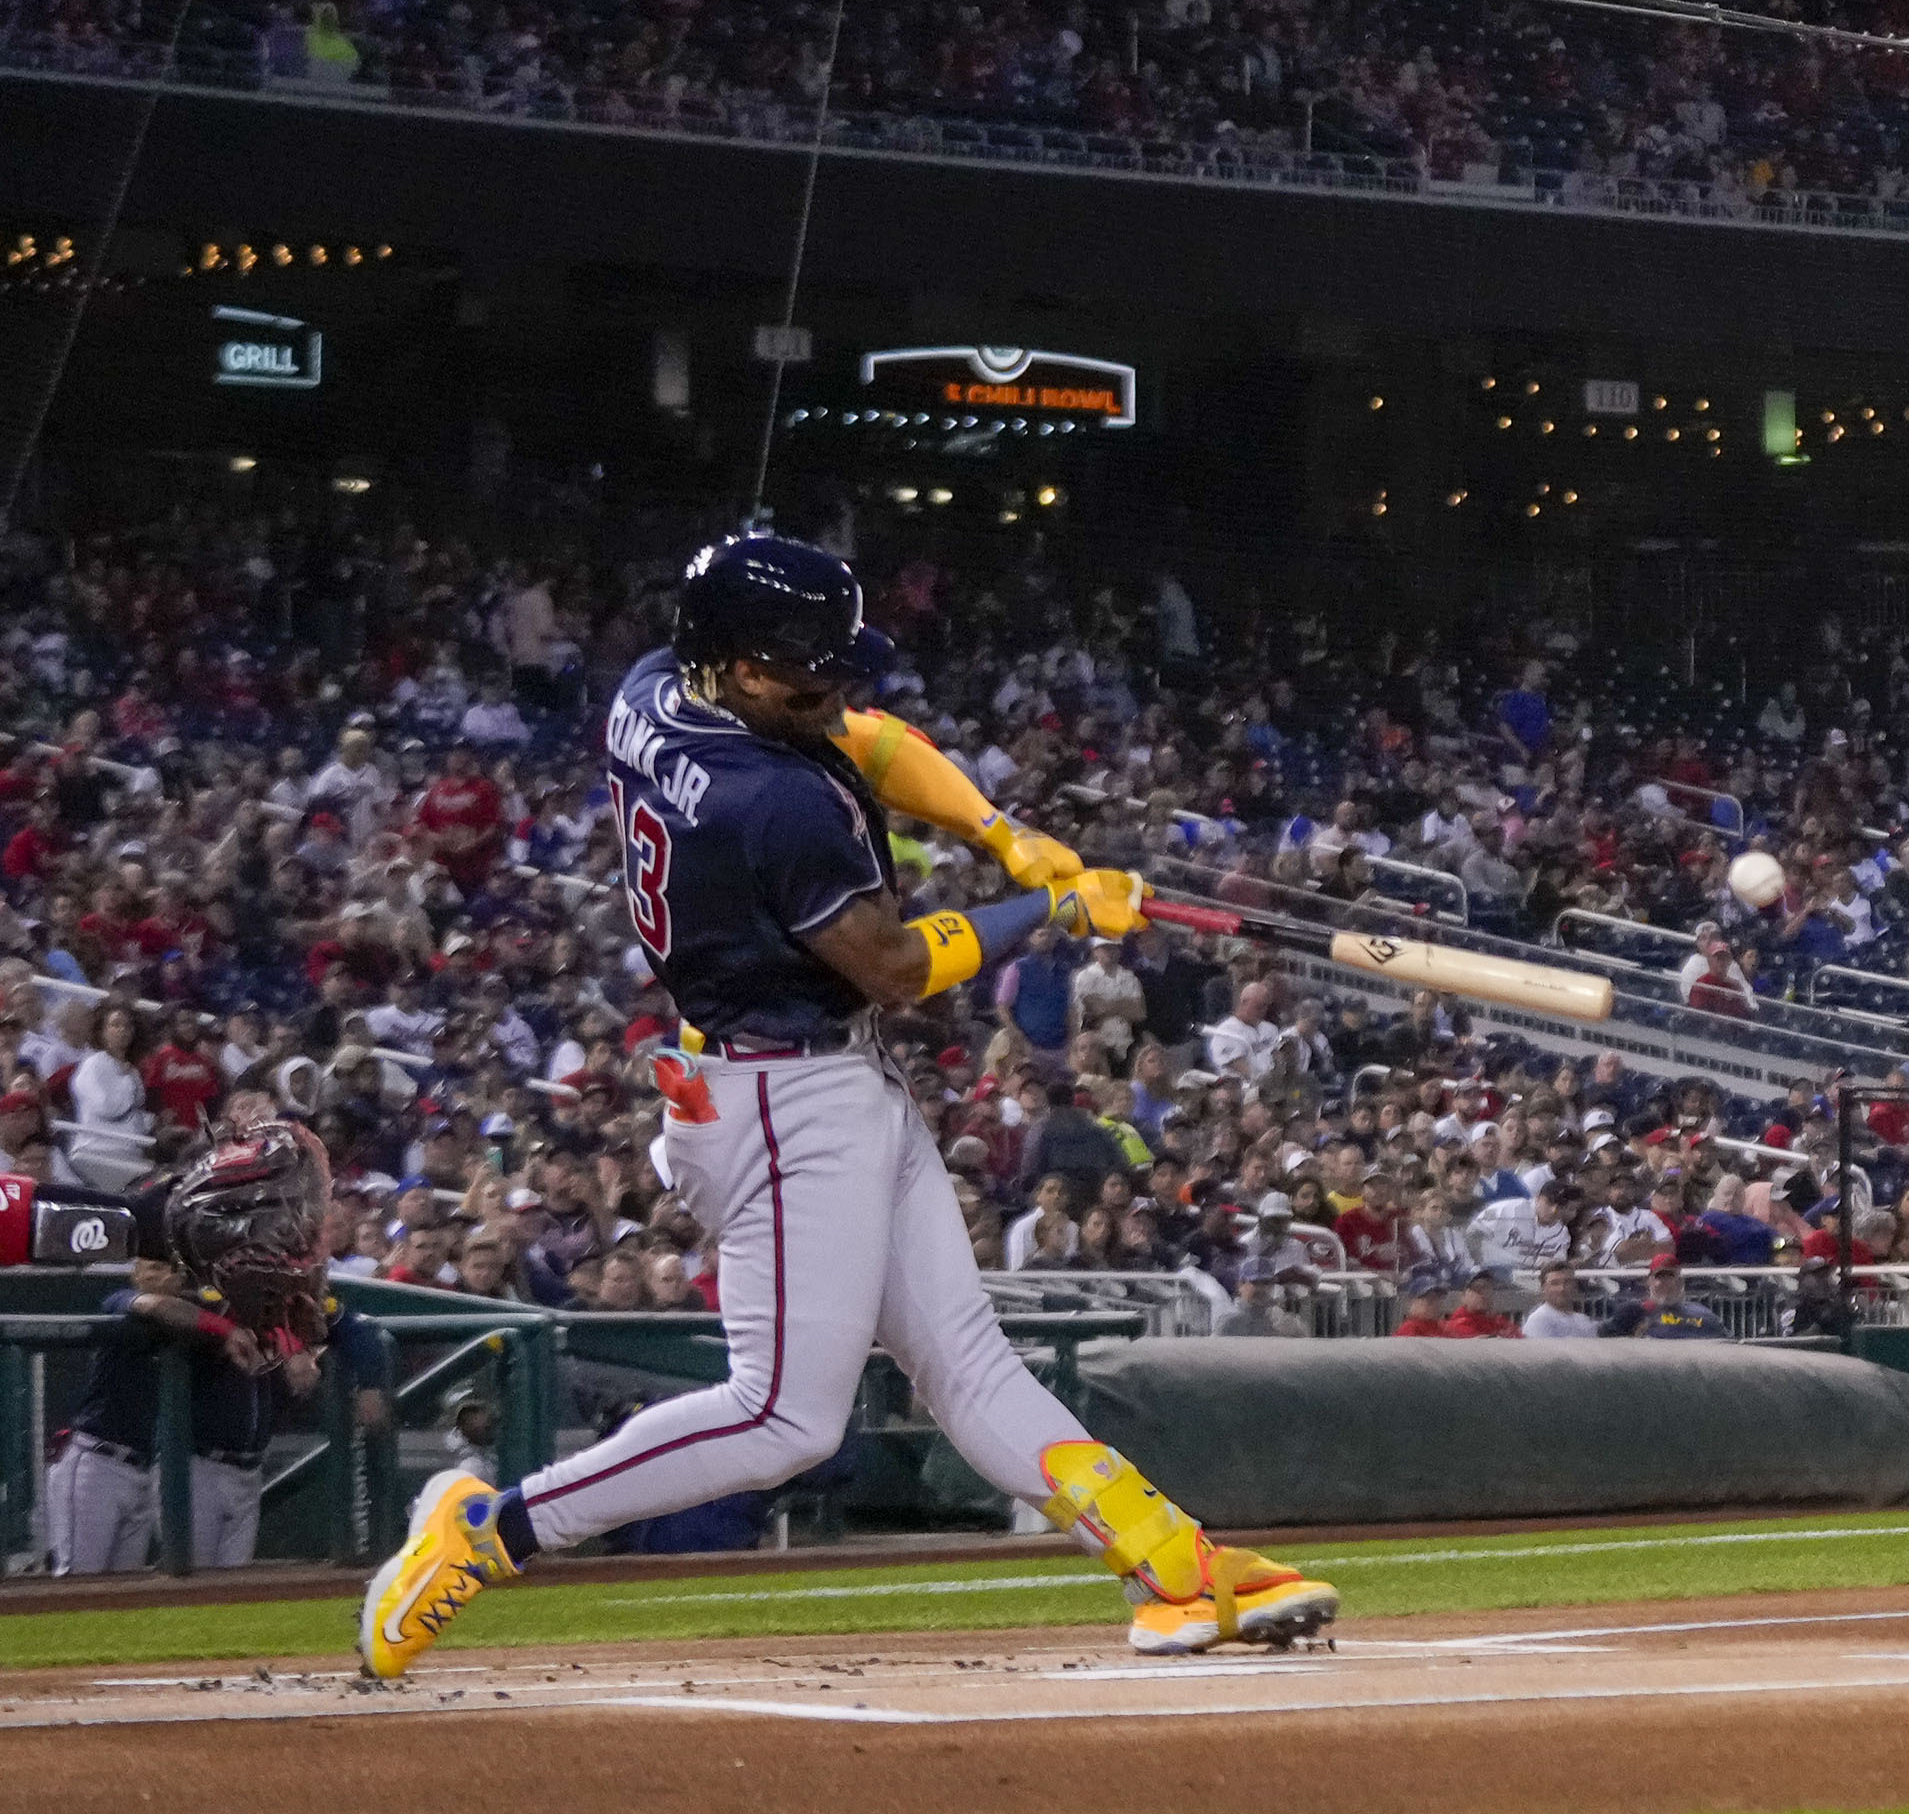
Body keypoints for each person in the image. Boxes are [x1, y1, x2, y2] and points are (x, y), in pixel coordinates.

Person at [360, 531, 1336, 1679]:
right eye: (802, 666)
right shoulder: (766, 799)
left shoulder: (657, 688)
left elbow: (865, 738)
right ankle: (495, 1526)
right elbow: (890, 962)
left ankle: (1175, 1567)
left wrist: (1002, 834)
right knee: (783, 1417)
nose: (833, 685)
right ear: (735, 662)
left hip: (818, 1075)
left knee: (968, 1359)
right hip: (774, 1095)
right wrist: (1053, 914)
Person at [40, 1127, 376, 1574]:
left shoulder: (221, 1295)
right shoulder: (126, 1301)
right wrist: (225, 1331)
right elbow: (150, 1305)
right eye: (153, 1266)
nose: (163, 1275)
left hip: (159, 1466)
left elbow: (320, 1320)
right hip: (100, 1459)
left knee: (128, 1597)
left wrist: (293, 1345)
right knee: (78, 1589)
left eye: (171, 1268)